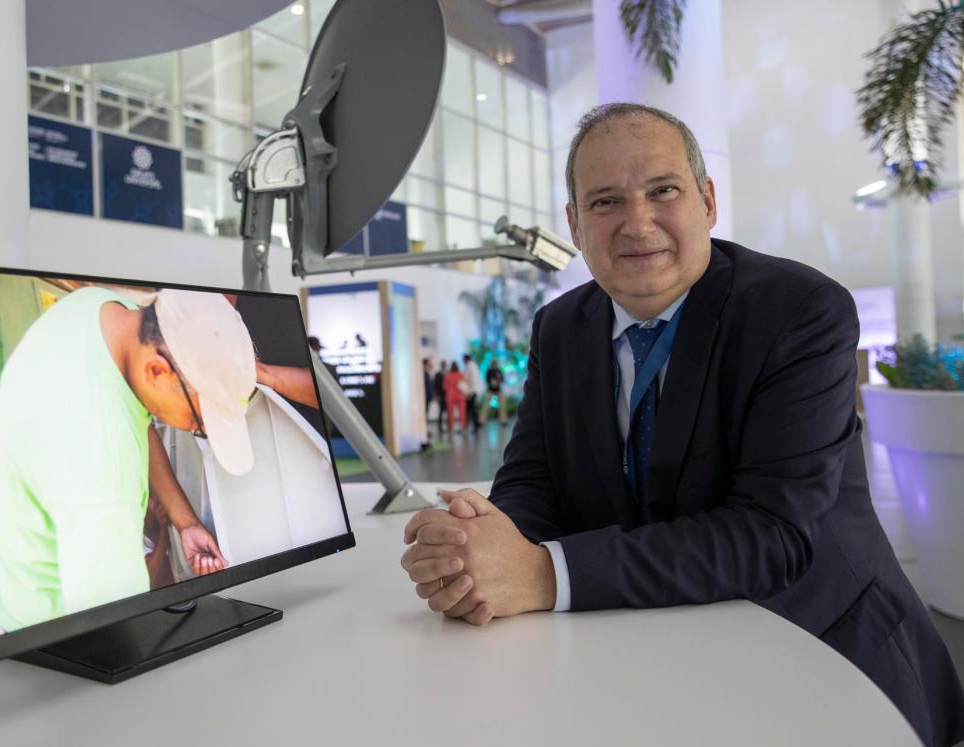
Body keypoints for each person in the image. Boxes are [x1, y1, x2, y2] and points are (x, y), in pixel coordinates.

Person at [399, 103, 964, 746]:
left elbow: (771, 535)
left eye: (663, 190)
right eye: (606, 202)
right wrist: (478, 548)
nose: (638, 223)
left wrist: (542, 574)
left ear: (707, 201)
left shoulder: (799, 312)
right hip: (651, 667)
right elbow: (535, 480)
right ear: (575, 225)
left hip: (821, 662)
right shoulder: (559, 328)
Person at [0, 286, 257, 633]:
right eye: (199, 422)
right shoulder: (103, 478)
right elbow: (112, 627)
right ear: (158, 372)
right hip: (44, 631)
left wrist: (185, 521)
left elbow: (138, 418)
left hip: (12, 574)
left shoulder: (107, 311)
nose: (195, 430)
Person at [442, 361, 467, 433]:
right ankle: (462, 427)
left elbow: (444, 387)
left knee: (450, 412)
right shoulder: (461, 375)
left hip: (450, 395)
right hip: (460, 396)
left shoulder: (447, 376)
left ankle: (451, 427)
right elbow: (464, 385)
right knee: (462, 412)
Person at [479, 360, 506, 425]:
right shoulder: (489, 371)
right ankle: (481, 421)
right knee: (486, 405)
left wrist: (499, 379)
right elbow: (487, 380)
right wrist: (492, 382)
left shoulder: (499, 371)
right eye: (493, 363)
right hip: (490, 390)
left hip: (498, 390)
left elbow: (502, 379)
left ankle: (503, 420)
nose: (494, 364)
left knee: (502, 406)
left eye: (495, 363)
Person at [462, 353, 483, 432]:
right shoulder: (471, 366)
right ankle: (475, 425)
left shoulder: (471, 367)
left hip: (472, 391)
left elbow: (473, 380)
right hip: (472, 390)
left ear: (465, 359)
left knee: (472, 409)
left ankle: (475, 426)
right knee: (471, 409)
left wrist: (471, 392)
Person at [432, 360, 447, 434]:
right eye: (443, 364)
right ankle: (440, 426)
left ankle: (447, 426)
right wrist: (436, 395)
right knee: (441, 410)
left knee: (447, 411)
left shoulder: (448, 373)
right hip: (440, 395)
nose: (444, 366)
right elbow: (435, 385)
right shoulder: (437, 374)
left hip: (447, 395)